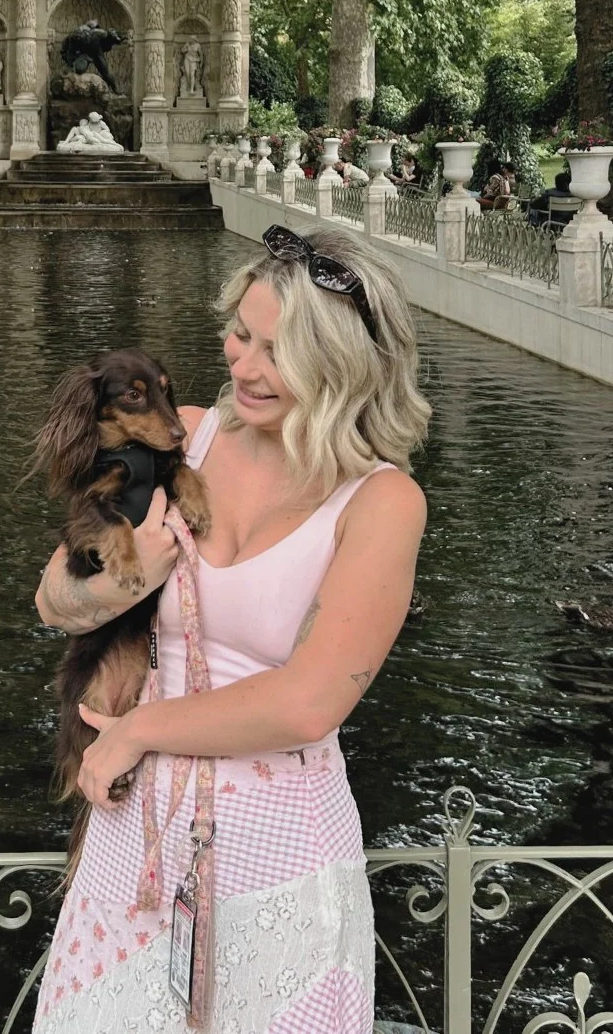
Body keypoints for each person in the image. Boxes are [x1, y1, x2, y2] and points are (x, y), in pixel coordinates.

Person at [33, 224, 430, 1033]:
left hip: (279, 852)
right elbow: (53, 602)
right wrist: (130, 569)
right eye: (240, 334)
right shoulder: (186, 437)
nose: (242, 366)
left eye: (275, 352)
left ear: (341, 366)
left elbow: (308, 704)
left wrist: (138, 729)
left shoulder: (384, 503)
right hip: (131, 837)